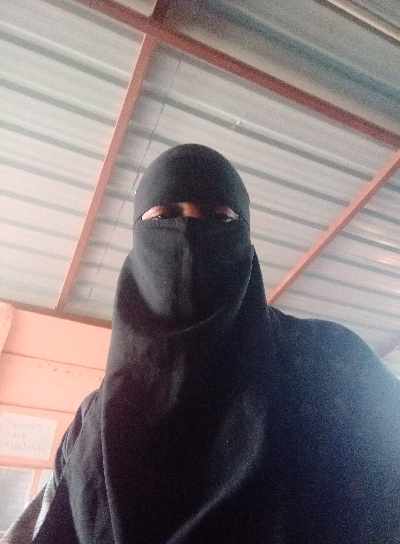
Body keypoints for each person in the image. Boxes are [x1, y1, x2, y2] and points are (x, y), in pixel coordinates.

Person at [3, 144, 400, 543]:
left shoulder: (332, 364)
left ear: (245, 238)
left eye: (219, 217)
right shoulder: (93, 422)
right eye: (164, 216)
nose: (189, 237)